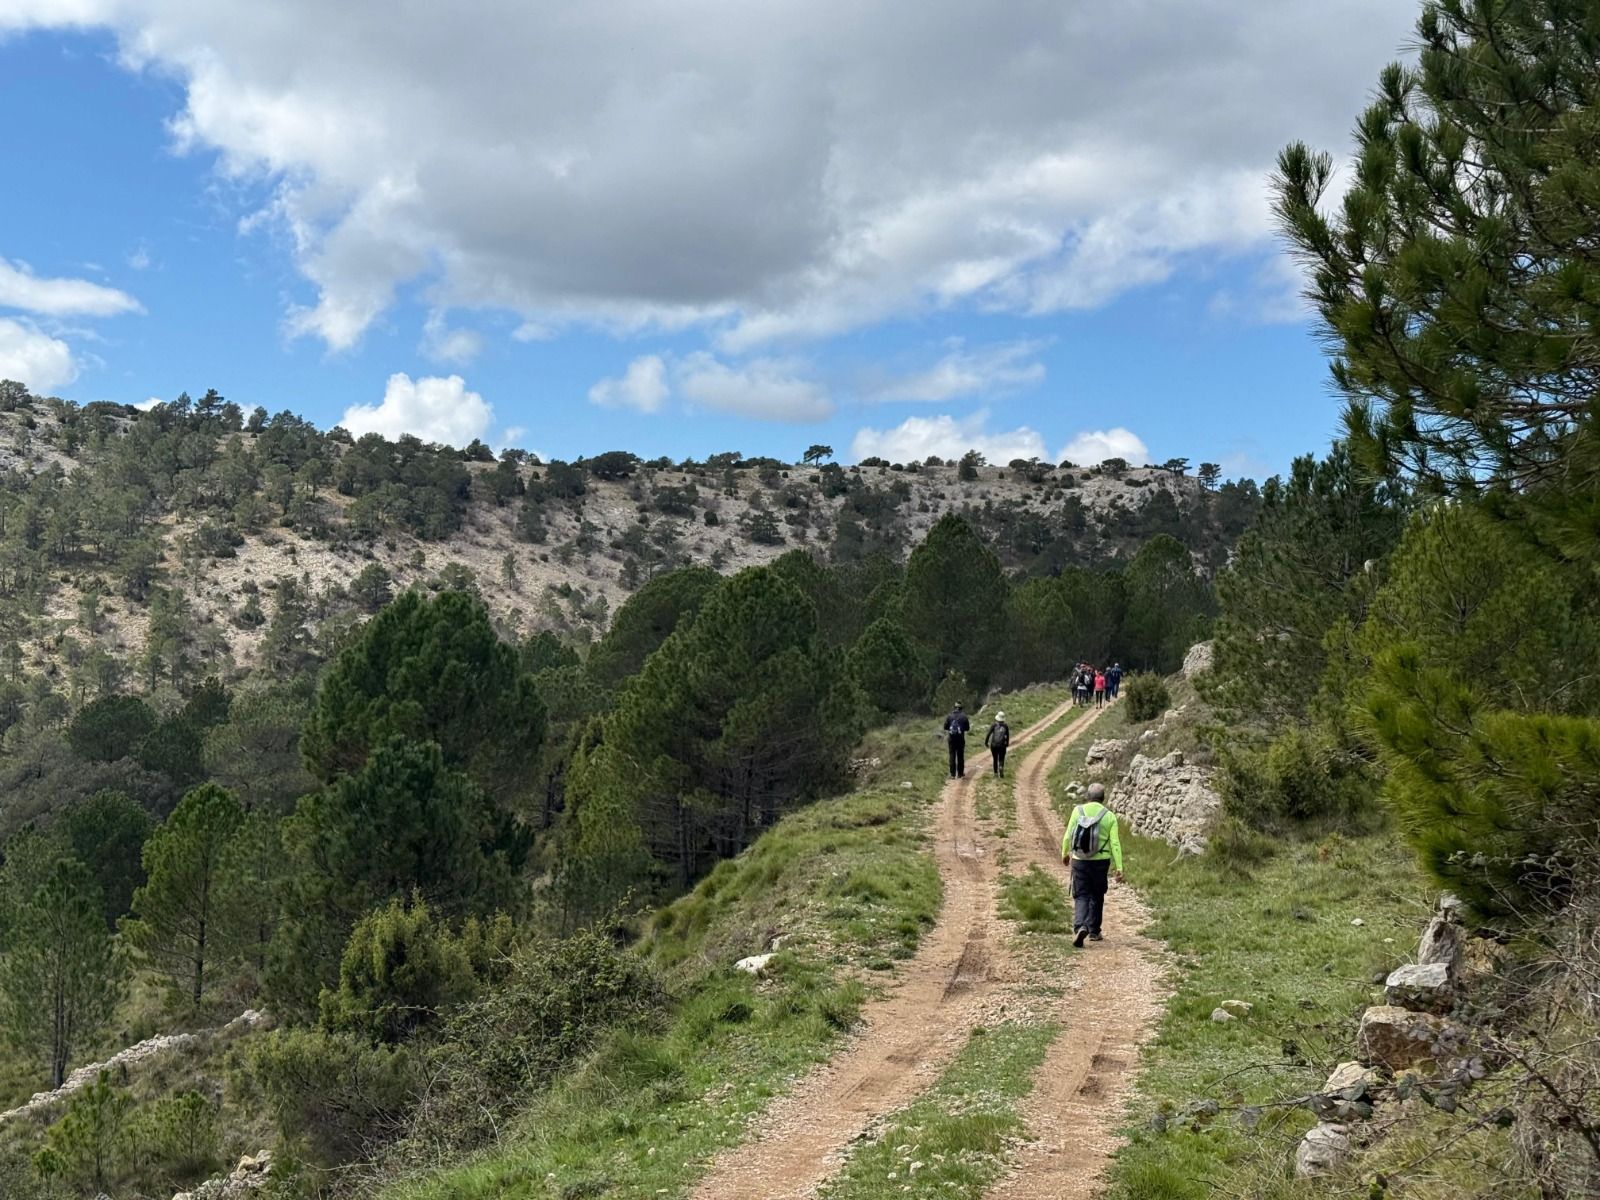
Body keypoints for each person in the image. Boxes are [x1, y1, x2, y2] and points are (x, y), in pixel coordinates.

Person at [1062, 781, 1123, 947]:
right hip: (1101, 862)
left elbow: (1068, 835)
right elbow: (1115, 843)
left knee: (1081, 894)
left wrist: (1065, 853)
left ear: (1088, 796)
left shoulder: (1078, 811)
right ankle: (1094, 930)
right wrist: (1119, 867)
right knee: (1097, 894)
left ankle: (1080, 926)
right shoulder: (1109, 816)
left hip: (1080, 859)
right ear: (1103, 798)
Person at [943, 701, 971, 778]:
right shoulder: (964, 716)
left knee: (952, 755)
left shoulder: (949, 716)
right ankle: (960, 773)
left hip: (951, 739)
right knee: (960, 756)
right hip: (960, 739)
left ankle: (952, 774)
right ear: (961, 708)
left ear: (954, 707)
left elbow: (945, 727)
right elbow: (968, 728)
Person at [985, 710, 1011, 776]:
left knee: (995, 758)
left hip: (994, 745)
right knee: (1001, 758)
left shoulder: (994, 725)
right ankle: (1001, 766)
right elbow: (1007, 736)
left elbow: (988, 734)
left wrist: (986, 742)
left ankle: (995, 773)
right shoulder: (1005, 726)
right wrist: (1007, 743)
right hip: (1002, 745)